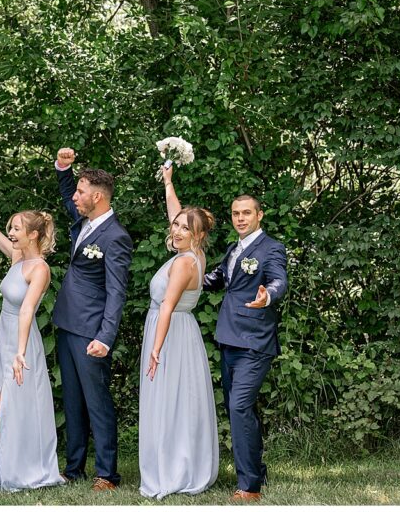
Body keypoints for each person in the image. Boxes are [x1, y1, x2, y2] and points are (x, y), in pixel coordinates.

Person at [0, 194, 64, 492]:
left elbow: (28, 311)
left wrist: (19, 353)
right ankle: (6, 469)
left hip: (21, 342)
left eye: (17, 228)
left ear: (33, 234)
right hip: (6, 339)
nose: (11, 232)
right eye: (12, 227)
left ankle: (24, 469)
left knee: (5, 412)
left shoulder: (39, 268)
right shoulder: (17, 258)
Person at [52, 148, 133, 490]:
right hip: (67, 324)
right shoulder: (83, 222)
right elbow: (66, 195)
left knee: (97, 402)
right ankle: (74, 469)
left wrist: (105, 336)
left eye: (81, 192)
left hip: (91, 331)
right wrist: (63, 169)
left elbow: (116, 291)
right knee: (72, 401)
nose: (75, 197)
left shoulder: (116, 237)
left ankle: (106, 473)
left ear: (97, 196)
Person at [138, 166, 218, 499]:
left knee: (169, 400)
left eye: (185, 228)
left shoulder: (185, 262)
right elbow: (178, 214)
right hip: (179, 331)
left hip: (168, 333)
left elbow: (168, 306)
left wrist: (156, 349)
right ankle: (177, 462)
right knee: (178, 400)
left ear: (198, 235)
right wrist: (169, 183)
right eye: (176, 225)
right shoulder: (193, 253)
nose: (177, 229)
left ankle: (173, 469)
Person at [203, 192, 289, 502]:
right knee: (239, 409)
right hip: (228, 338)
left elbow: (279, 280)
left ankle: (250, 486)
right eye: (236, 213)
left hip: (255, 340)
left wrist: (268, 296)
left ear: (259, 215)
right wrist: (186, 270)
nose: (240, 218)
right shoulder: (232, 249)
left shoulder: (271, 248)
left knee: (239, 407)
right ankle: (256, 469)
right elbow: (217, 279)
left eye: (247, 213)